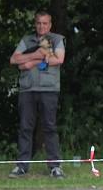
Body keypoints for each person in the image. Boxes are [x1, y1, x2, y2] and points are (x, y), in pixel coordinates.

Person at [8, 10, 66, 178]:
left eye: (45, 23)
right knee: (25, 127)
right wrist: (36, 56)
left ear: (50, 24)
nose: (42, 26)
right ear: (35, 24)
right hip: (28, 89)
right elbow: (14, 60)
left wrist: (29, 61)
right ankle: (22, 166)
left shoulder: (56, 40)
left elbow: (59, 59)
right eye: (39, 23)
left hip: (49, 90)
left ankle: (55, 167)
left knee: (50, 127)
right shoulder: (27, 40)